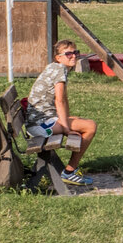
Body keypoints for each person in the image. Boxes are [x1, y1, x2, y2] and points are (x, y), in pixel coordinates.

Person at [25, 40, 96, 187]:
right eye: (68, 53)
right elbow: (59, 101)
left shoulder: (55, 68)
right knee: (90, 126)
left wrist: (67, 123)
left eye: (76, 52)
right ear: (58, 57)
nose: (73, 56)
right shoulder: (59, 70)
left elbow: (64, 100)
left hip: (41, 119)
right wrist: (66, 128)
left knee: (79, 120)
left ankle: (70, 171)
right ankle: (70, 172)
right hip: (40, 124)